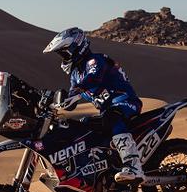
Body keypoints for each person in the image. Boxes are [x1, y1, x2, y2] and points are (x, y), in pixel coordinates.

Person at [43, 27, 145, 183]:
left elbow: (93, 77)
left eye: (65, 54)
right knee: (84, 125)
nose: (63, 58)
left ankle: (134, 166)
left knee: (113, 119)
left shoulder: (95, 60)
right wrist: (60, 102)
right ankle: (99, 170)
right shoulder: (76, 75)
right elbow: (72, 96)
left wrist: (78, 91)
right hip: (106, 110)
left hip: (125, 102)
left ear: (77, 47)